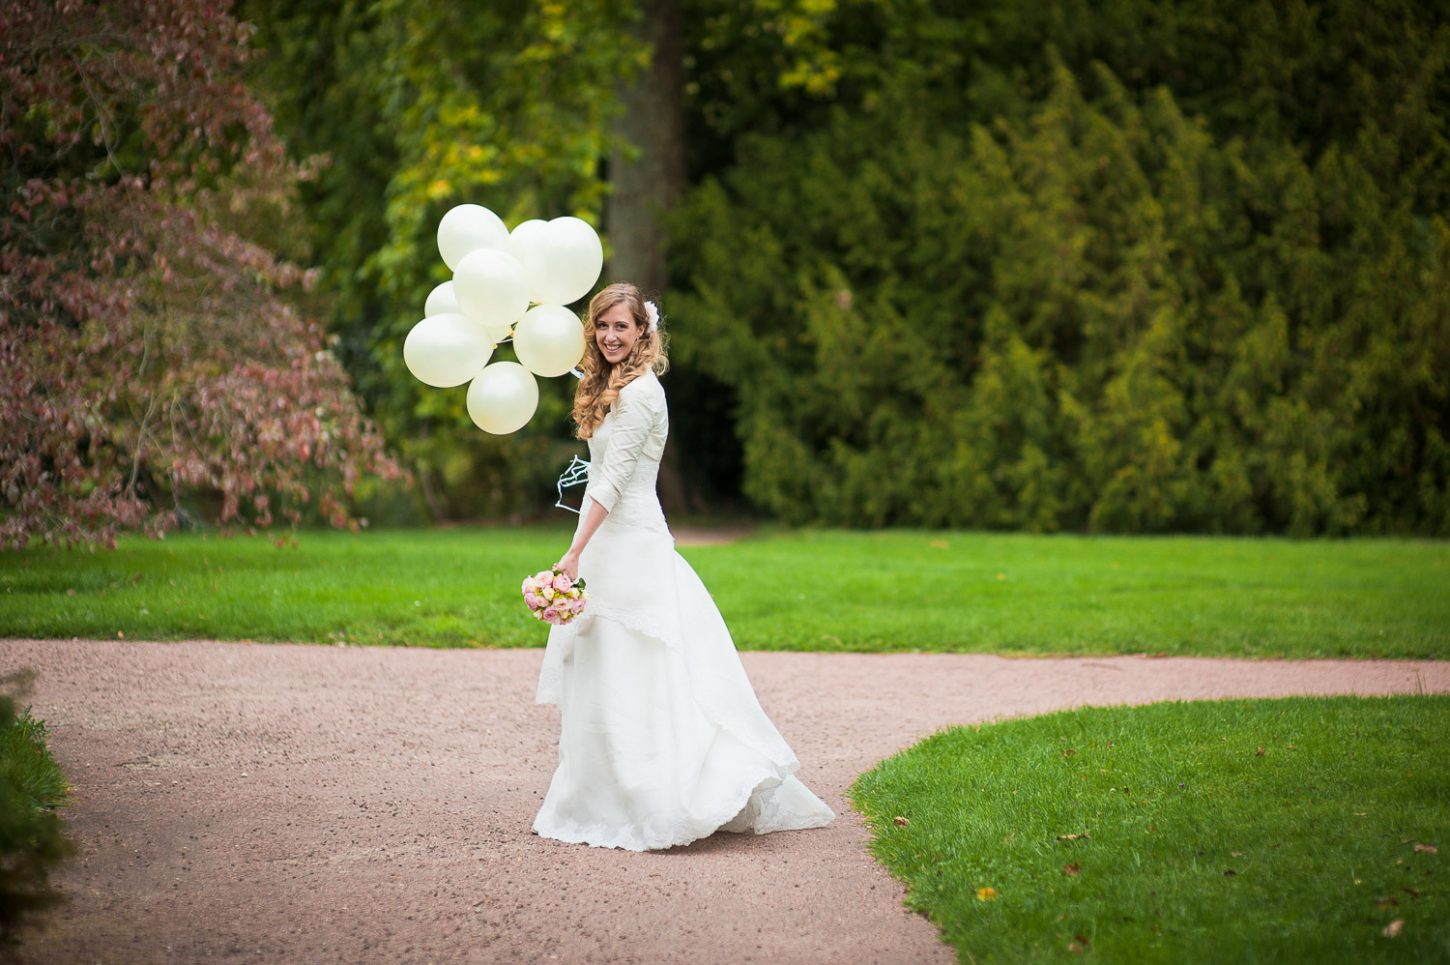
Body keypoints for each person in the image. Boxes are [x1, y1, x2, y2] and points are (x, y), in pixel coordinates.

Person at [532, 282, 836, 851]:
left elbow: (613, 482)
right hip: (610, 544)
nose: (610, 336)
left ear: (643, 331)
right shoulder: (613, 387)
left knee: (639, 669)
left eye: (621, 326)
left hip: (631, 545)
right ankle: (606, 792)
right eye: (601, 326)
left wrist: (573, 553)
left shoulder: (641, 393)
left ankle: (655, 796)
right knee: (606, 670)